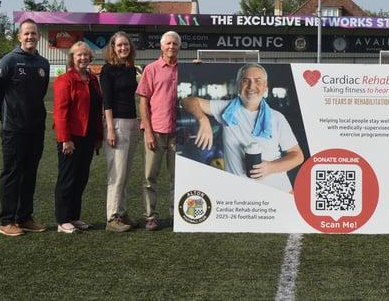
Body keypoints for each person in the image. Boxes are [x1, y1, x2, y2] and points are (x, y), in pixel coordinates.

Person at [181, 63, 305, 192]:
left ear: (265, 86)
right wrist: (203, 119)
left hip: (276, 191)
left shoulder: (277, 118)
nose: (252, 86)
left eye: (258, 81)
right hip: (240, 195)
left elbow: (297, 156)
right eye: (246, 81)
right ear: (239, 85)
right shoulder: (226, 109)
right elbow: (187, 101)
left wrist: (270, 167)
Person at [0, 18, 50, 236]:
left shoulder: (43, 63)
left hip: (36, 127)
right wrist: (5, 114)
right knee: (12, 173)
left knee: (30, 173)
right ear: (19, 36)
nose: (30, 37)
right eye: (26, 33)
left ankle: (24, 217)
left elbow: (40, 93)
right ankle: (6, 221)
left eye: (33, 33)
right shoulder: (9, 61)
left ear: (38, 36)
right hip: (13, 128)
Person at [53, 41, 103, 233]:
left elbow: (96, 109)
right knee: (67, 178)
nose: (82, 58)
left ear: (90, 57)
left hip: (88, 137)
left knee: (81, 178)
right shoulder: (65, 80)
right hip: (71, 137)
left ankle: (74, 217)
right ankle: (62, 220)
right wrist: (65, 138)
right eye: (78, 55)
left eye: (85, 55)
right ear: (72, 58)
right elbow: (60, 112)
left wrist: (98, 136)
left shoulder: (92, 79)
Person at [137, 31, 181, 231]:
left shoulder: (186, 69)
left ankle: (178, 215)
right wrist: (147, 131)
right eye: (168, 43)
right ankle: (150, 216)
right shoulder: (152, 69)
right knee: (149, 177)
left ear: (179, 47)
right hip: (156, 131)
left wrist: (200, 68)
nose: (171, 46)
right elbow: (143, 101)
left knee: (178, 177)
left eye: (175, 43)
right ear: (161, 47)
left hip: (179, 132)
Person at [101, 32, 140, 232]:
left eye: (126, 45)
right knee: (116, 174)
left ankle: (122, 213)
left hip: (132, 122)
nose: (123, 48)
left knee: (124, 173)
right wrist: (110, 129)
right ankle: (112, 217)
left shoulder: (130, 68)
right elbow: (106, 101)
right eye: (119, 46)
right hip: (116, 123)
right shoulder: (108, 70)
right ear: (113, 48)